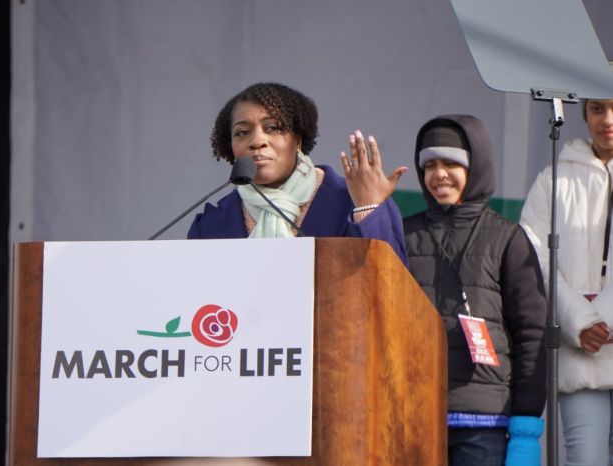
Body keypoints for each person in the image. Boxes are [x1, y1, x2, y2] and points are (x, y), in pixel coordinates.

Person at [403, 114, 547, 465]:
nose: (439, 174)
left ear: (476, 165)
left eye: (451, 163)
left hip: (486, 424)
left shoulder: (508, 238)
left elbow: (531, 333)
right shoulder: (404, 235)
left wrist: (526, 428)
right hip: (414, 416)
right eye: (430, 165)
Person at [187, 82, 408, 264]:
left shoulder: (354, 201)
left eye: (272, 128)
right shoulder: (211, 224)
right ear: (231, 147)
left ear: (298, 141)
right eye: (242, 132)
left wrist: (368, 211)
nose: (257, 141)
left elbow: (392, 289)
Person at [520, 98, 613, 466]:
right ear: (584, 114)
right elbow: (533, 255)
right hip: (579, 349)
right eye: (597, 109)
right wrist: (581, 321)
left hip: (595, 333)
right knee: (585, 458)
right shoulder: (554, 178)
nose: (607, 120)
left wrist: (603, 318)